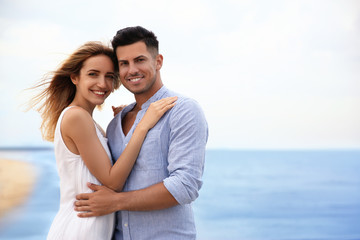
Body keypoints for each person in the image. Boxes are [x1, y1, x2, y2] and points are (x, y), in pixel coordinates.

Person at [28, 41, 177, 240]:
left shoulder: (89, 122)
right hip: (80, 229)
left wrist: (122, 121)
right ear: (75, 77)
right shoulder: (76, 117)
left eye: (109, 76)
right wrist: (142, 126)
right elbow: (113, 181)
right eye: (93, 74)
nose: (103, 84)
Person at [74, 26, 208, 240]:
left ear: (158, 61)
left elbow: (185, 186)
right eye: (123, 64)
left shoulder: (183, 110)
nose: (132, 70)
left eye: (140, 60)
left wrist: (116, 202)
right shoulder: (115, 123)